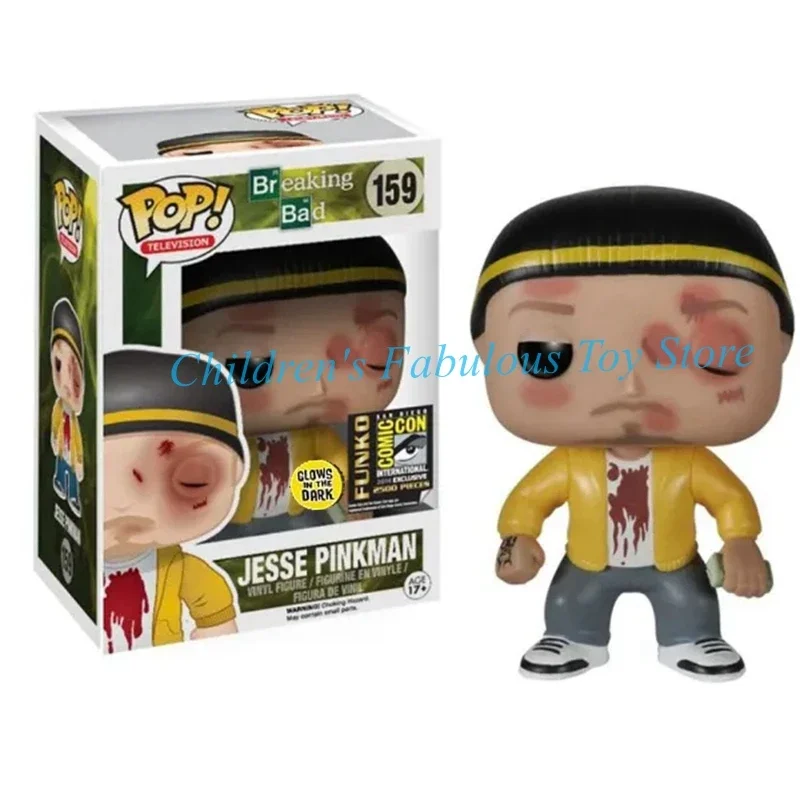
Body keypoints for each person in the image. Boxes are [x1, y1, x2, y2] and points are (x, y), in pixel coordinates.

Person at [471, 186, 791, 681]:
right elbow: (529, 499)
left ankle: (692, 636)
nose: (630, 386)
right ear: (484, 347)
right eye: (547, 354)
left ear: (781, 346)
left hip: (674, 562)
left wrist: (741, 541)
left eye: (713, 354)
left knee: (691, 603)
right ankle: (572, 634)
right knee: (569, 601)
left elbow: (729, 499)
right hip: (587, 562)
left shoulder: (688, 464)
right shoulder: (571, 463)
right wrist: (517, 536)